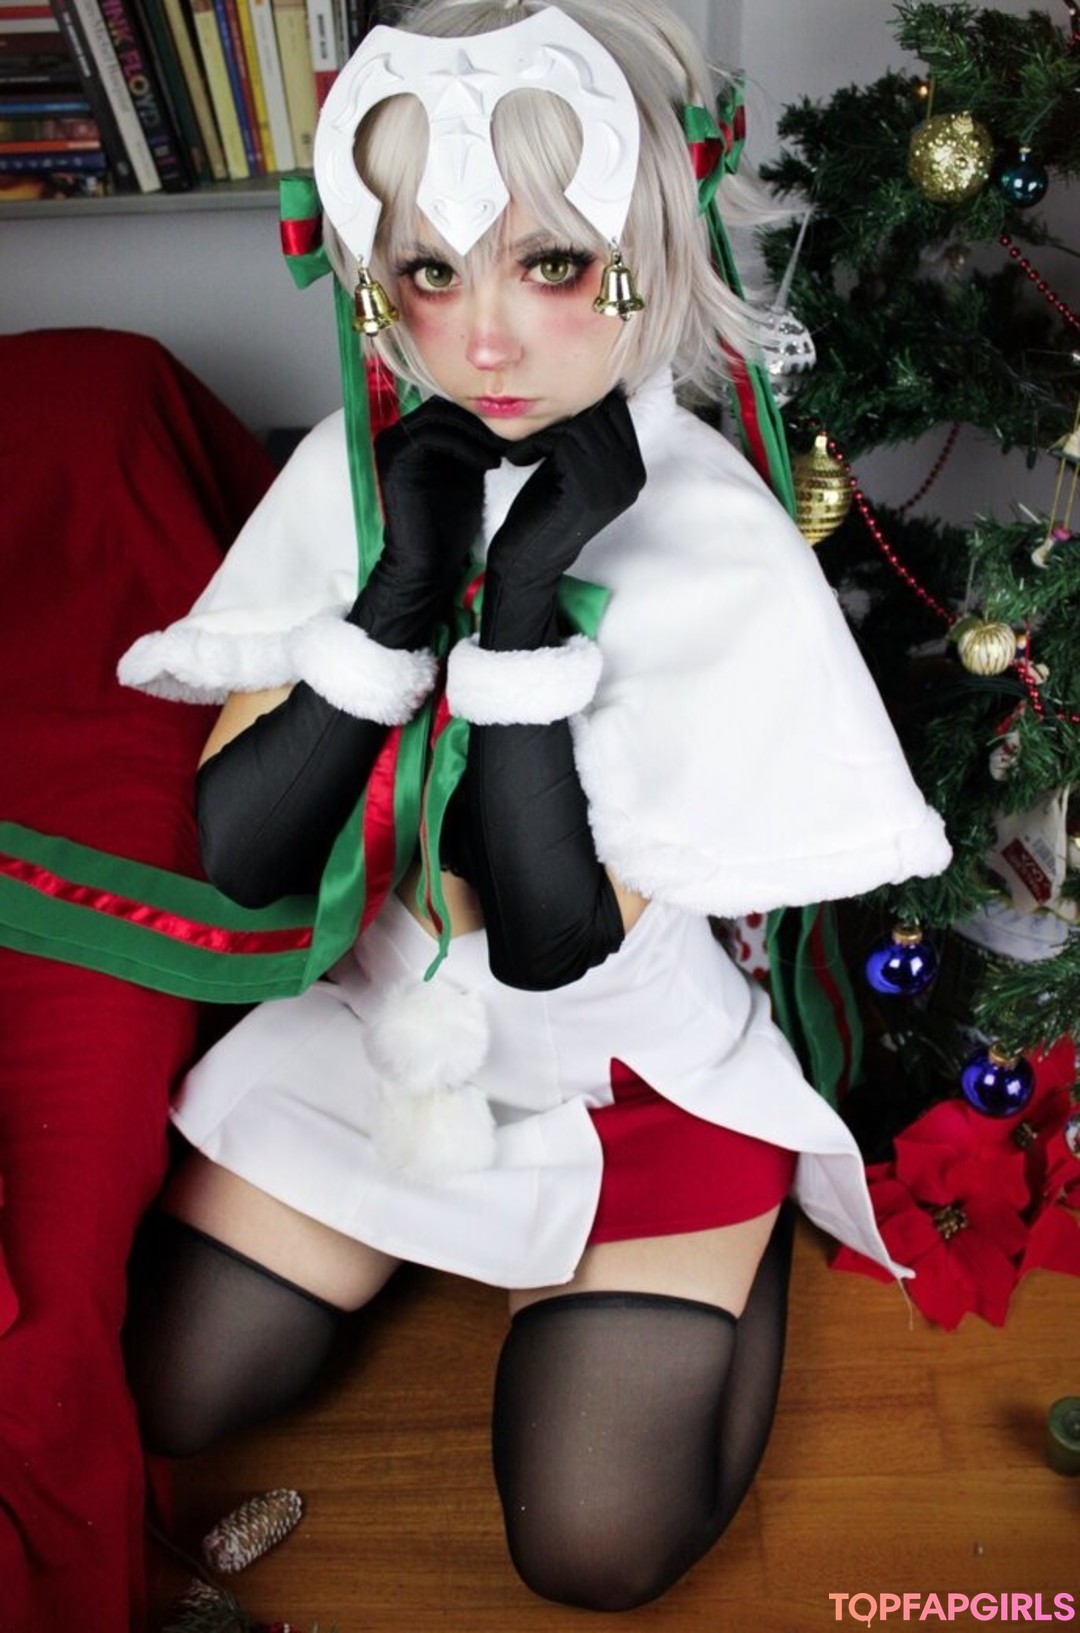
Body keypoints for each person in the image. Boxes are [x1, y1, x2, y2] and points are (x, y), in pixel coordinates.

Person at [119, 0, 952, 1613]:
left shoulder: (713, 536)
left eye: (552, 264)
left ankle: (729, 1236)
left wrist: (517, 615)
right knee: (174, 1384)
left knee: (591, 1543)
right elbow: (242, 858)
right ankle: (446, 1235)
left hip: (629, 1066)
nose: (485, 341)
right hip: (387, 1031)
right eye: (433, 272)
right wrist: (398, 595)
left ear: (644, 258)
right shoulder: (361, 475)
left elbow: (558, 940)